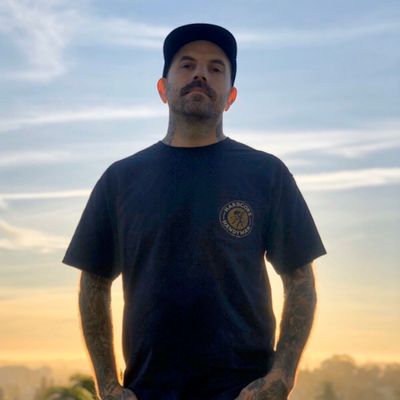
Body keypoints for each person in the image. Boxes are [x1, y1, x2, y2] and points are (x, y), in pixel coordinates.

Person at [62, 23, 327, 400]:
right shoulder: (121, 179)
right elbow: (94, 280)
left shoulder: (266, 173)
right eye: (187, 65)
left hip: (243, 392)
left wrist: (282, 375)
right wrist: (107, 385)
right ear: (162, 88)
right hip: (148, 390)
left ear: (231, 97)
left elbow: (300, 279)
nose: (200, 74)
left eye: (216, 68)